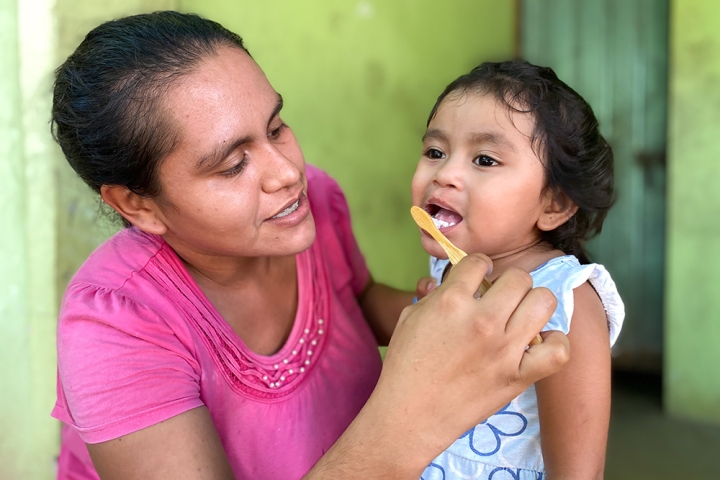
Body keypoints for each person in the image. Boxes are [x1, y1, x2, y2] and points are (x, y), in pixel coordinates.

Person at [50, 12, 570, 480]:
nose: (287, 172)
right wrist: (415, 410)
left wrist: (448, 317)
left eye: (276, 127)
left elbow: (355, 302)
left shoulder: (311, 202)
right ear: (137, 205)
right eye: (233, 165)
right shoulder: (116, 323)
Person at [412, 61, 625, 479]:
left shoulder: (567, 301)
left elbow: (578, 473)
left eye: (485, 160)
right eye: (435, 152)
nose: (445, 174)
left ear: (554, 205)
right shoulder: (449, 265)